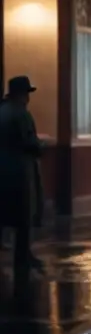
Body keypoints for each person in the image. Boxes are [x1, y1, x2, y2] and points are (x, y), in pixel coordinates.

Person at [0, 76, 44, 270]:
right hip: (19, 172)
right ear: (21, 94)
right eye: (27, 93)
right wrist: (40, 146)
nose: (28, 98)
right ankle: (23, 261)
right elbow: (30, 143)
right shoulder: (21, 114)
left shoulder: (2, 111)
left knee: (6, 215)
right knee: (23, 219)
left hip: (4, 171)